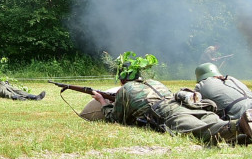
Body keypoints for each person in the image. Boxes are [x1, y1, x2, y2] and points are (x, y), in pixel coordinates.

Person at [90, 53, 252, 145]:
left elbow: (115, 119)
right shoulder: (153, 82)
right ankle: (245, 131)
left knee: (203, 132)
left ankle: (240, 125)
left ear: (123, 80)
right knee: (216, 124)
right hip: (191, 106)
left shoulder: (125, 90)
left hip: (169, 113)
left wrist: (102, 102)